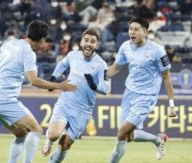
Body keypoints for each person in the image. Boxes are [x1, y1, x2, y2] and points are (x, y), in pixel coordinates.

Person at [0, 20, 77, 163]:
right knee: (36, 130)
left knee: (21, 133)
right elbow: (33, 81)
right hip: (4, 100)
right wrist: (60, 86)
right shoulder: (28, 52)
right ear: (42, 39)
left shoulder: (10, 43)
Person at [107, 17, 177, 163]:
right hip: (129, 93)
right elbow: (116, 68)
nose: (132, 32)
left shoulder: (157, 50)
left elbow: (167, 77)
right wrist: (99, 79)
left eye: (136, 29)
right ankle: (158, 140)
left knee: (121, 134)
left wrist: (171, 105)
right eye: (130, 29)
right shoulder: (125, 46)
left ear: (145, 32)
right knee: (128, 136)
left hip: (146, 97)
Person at [41, 28, 109, 163]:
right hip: (66, 103)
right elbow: (62, 64)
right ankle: (49, 140)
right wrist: (53, 78)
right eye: (87, 40)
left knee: (65, 145)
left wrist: (94, 86)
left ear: (97, 45)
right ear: (81, 42)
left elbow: (105, 89)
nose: (89, 44)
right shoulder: (72, 55)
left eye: (93, 42)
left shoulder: (101, 65)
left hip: (83, 111)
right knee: (54, 135)